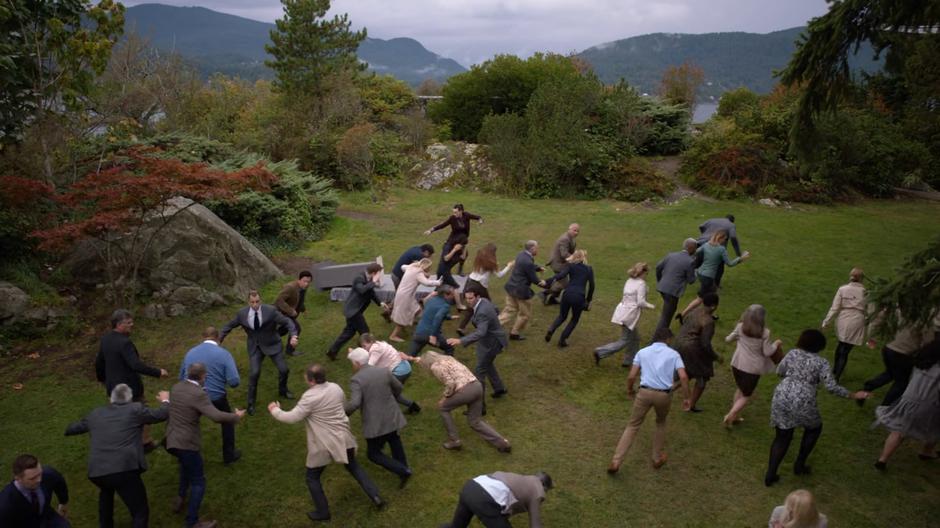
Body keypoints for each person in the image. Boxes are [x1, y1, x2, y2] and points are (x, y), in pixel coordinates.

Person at [268, 364, 384, 522]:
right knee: (354, 466)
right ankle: (375, 496)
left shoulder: (309, 398)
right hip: (344, 438)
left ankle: (323, 513)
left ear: (312, 381)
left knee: (312, 477)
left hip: (323, 444)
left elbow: (291, 417)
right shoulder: (336, 388)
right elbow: (343, 406)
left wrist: (275, 409)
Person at [764, 330, 868, 486]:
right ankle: (799, 465)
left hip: (782, 396)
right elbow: (831, 387)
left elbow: (779, 371)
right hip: (804, 401)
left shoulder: (792, 353)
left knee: (782, 436)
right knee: (814, 428)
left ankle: (770, 475)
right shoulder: (822, 363)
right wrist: (853, 395)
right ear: (819, 346)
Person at [65, 383, 170, 528]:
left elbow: (74, 428)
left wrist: (66, 429)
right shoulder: (135, 409)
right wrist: (165, 400)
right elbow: (161, 415)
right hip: (124, 469)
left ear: (111, 399)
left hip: (98, 471)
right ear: (130, 399)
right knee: (140, 511)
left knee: (106, 492)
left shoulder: (96, 414)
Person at [166, 363, 245, 528]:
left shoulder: (176, 387)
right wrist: (235, 416)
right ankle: (192, 522)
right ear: (203, 376)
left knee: (185, 467)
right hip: (187, 442)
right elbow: (216, 416)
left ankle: (180, 498)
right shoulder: (198, 393)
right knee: (198, 481)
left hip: (172, 440)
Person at [607, 328, 690, 474]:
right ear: (668, 339)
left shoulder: (642, 352)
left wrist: (630, 389)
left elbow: (631, 376)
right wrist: (686, 398)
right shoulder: (674, 354)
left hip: (644, 392)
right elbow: (683, 377)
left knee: (632, 426)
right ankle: (656, 458)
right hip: (664, 395)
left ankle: (616, 461)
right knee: (660, 422)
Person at [95, 309, 168, 450]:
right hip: (130, 388)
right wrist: (158, 372)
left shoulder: (106, 339)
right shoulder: (124, 343)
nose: (132, 324)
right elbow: (135, 364)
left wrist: (103, 379)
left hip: (114, 389)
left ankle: (124, 441)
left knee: (120, 415)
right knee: (142, 412)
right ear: (119, 324)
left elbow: (99, 362)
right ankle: (145, 443)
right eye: (128, 323)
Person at [219, 290, 298, 415]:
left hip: (272, 344)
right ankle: (251, 404)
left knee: (284, 369)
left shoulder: (270, 311)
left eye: (257, 302)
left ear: (260, 301)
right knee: (254, 374)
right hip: (255, 347)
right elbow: (228, 326)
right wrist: (219, 338)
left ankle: (283, 390)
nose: (255, 305)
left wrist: (293, 335)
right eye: (252, 302)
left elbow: (287, 322)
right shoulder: (242, 314)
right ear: (248, 302)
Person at [345, 348, 413, 488]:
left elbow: (355, 403)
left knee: (373, 453)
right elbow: (398, 387)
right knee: (394, 440)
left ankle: (403, 470)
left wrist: (342, 414)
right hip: (391, 414)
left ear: (357, 363)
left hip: (375, 422)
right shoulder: (383, 371)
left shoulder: (356, 380)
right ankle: (404, 468)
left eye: (352, 362)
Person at [416, 351, 512, 452]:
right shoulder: (449, 359)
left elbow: (450, 383)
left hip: (466, 391)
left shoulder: (435, 367)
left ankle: (455, 441)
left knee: (443, 408)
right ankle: (502, 443)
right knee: (475, 421)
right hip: (477, 386)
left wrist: (445, 397)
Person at [873, 336, 940, 470]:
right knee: (936, 427)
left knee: (898, 431)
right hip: (930, 404)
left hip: (908, 399)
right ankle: (926, 450)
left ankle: (883, 459)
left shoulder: (922, 360)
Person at [179, 327, 242, 465]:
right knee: (227, 421)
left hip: (191, 396)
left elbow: (181, 377)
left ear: (203, 337)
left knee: (187, 424)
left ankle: (186, 456)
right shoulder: (224, 354)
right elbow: (234, 382)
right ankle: (229, 455)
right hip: (215, 397)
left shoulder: (190, 353)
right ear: (218, 338)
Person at [447, 288, 510, 411]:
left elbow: (481, 332)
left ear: (477, 296)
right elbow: (496, 310)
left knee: (479, 372)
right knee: (488, 365)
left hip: (491, 343)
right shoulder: (484, 301)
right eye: (467, 298)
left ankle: (480, 406)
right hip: (491, 340)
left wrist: (461, 340)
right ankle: (499, 388)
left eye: (471, 298)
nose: (468, 301)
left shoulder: (482, 312)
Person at [722, 304, 783, 427]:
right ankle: (731, 415)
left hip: (737, 365)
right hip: (752, 370)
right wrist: (776, 344)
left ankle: (735, 416)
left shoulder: (740, 327)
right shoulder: (765, 333)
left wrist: (735, 337)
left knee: (740, 389)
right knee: (746, 395)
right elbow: (767, 352)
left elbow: (728, 339)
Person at [678, 230, 750, 321]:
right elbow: (730, 264)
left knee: (711, 295)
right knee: (702, 298)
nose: (725, 241)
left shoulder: (706, 245)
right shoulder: (721, 249)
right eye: (725, 239)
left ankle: (709, 314)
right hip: (708, 277)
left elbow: (697, 252)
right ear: (720, 238)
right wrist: (741, 258)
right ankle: (684, 315)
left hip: (700, 273)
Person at [862, 317, 934, 407]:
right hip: (902, 353)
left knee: (890, 374)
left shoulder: (906, 312)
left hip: (889, 348)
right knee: (901, 383)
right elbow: (928, 341)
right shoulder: (926, 320)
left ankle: (869, 386)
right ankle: (884, 408)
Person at [440, 471, 552, 528]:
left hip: (471, 486)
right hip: (484, 499)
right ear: (544, 486)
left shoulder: (521, 478)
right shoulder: (538, 490)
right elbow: (535, 525)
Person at [595, 262, 654, 366]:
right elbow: (640, 302)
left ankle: (630, 360)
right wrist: (651, 306)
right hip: (630, 315)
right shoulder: (641, 283)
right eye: (646, 273)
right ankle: (600, 351)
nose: (646, 276)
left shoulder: (629, 280)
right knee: (624, 340)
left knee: (635, 338)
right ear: (643, 273)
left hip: (622, 311)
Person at [326, 263, 389, 361]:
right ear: (374, 273)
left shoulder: (368, 279)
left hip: (355, 311)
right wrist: (374, 281)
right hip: (353, 311)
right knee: (365, 333)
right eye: (379, 274)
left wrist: (380, 303)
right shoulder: (359, 278)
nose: (380, 276)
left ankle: (332, 351)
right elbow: (362, 290)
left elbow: (370, 292)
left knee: (349, 332)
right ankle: (370, 355)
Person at [674, 292, 720, 412]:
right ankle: (691, 405)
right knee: (703, 375)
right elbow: (705, 344)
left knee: (687, 372)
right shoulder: (708, 321)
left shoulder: (694, 311)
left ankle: (663, 390)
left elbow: (684, 323)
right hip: (691, 348)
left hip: (678, 343)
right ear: (713, 306)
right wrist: (715, 357)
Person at [821, 267, 867, 381]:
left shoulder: (843, 289)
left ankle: (834, 372)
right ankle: (836, 376)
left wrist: (826, 322)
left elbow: (834, 308)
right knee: (845, 350)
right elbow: (870, 310)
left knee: (841, 345)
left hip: (844, 319)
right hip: (857, 320)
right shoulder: (866, 293)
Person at [457, 243, 513, 336]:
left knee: (472, 306)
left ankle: (461, 327)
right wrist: (509, 266)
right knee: (488, 304)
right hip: (479, 286)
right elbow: (499, 275)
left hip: (470, 281)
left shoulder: (480, 256)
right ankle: (491, 323)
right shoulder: (491, 262)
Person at [0, 455, 70, 528]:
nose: (39, 480)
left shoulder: (47, 475)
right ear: (18, 478)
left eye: (39, 474)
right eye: (32, 478)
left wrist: (63, 502)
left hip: (46, 517)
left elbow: (59, 482)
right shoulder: (5, 504)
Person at [543, 249, 595, 348]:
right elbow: (592, 286)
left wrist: (548, 281)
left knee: (562, 316)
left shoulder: (571, 266)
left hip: (567, 294)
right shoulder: (589, 269)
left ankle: (551, 329)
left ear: (575, 257)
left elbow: (560, 275)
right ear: (584, 257)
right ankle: (562, 340)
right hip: (579, 296)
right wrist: (588, 300)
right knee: (574, 319)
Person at [360, 333, 421, 413]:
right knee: (393, 394)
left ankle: (388, 414)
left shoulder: (375, 349)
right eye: (362, 347)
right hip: (405, 368)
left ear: (371, 341)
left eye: (365, 346)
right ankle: (413, 407)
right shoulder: (380, 344)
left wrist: (356, 360)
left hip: (400, 371)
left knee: (386, 394)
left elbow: (369, 366)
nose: (364, 349)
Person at [499, 240, 547, 341]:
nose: (538, 249)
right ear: (532, 248)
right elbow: (533, 278)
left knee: (509, 310)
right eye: (537, 248)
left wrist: (538, 268)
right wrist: (542, 283)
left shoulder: (521, 255)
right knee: (524, 314)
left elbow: (526, 266)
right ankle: (514, 333)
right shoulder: (528, 261)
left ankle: (492, 326)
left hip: (511, 287)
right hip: (521, 291)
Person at [390, 258, 442, 342]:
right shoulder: (419, 273)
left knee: (417, 310)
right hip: (405, 296)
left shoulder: (411, 267)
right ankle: (393, 335)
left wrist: (414, 265)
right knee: (403, 316)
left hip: (404, 294)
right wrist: (438, 282)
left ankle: (412, 323)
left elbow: (402, 267)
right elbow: (427, 283)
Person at [653, 238, 697, 334]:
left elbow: (658, 267)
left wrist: (660, 280)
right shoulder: (690, 261)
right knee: (666, 316)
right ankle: (657, 339)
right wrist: (696, 272)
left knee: (668, 311)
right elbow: (691, 280)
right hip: (672, 292)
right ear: (692, 248)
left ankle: (663, 332)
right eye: (695, 248)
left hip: (662, 288)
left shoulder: (671, 255)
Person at [424, 203, 483, 275]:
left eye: (456, 212)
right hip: (453, 239)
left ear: (461, 211)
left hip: (462, 240)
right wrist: (431, 230)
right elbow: (443, 225)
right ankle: (444, 269)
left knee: (464, 255)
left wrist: (480, 220)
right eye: (453, 212)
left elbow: (477, 217)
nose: (454, 214)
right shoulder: (452, 218)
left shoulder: (466, 215)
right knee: (446, 255)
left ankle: (459, 270)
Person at [408, 284, 457, 357]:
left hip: (419, 333)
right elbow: (438, 317)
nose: (453, 296)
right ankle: (446, 367)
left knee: (410, 357)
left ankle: (401, 366)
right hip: (429, 334)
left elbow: (432, 312)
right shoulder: (445, 306)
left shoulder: (431, 299)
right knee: (449, 348)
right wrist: (433, 335)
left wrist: (449, 317)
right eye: (452, 294)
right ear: (445, 295)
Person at [696, 214, 742, 287]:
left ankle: (693, 277)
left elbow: (701, 226)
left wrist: (704, 234)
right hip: (715, 245)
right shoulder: (731, 225)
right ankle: (716, 284)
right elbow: (733, 237)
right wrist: (738, 253)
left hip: (701, 243)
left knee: (699, 262)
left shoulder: (713, 220)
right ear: (732, 221)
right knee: (720, 266)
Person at [275, 270, 313, 356]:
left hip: (290, 314)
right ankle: (290, 351)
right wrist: (291, 311)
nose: (306, 284)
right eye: (305, 281)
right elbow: (279, 300)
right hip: (282, 313)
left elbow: (299, 300)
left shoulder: (303, 288)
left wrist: (303, 309)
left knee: (283, 330)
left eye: (308, 282)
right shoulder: (290, 287)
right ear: (299, 280)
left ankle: (269, 341)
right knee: (296, 328)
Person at [541, 223, 580, 305]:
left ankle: (552, 298)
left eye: (577, 231)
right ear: (569, 229)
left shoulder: (571, 238)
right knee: (564, 283)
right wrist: (575, 257)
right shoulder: (565, 239)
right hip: (558, 264)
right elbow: (564, 254)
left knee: (561, 281)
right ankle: (545, 293)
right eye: (574, 230)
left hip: (563, 263)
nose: (576, 232)